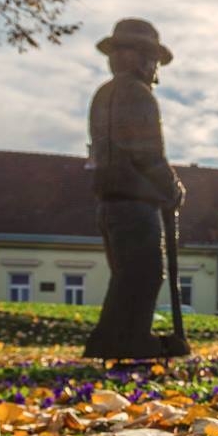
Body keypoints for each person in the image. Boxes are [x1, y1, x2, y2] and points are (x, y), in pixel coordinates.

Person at [84, 18, 189, 359]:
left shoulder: (103, 94)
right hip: (135, 200)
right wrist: (171, 187)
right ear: (141, 58)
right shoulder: (138, 94)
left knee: (126, 273)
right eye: (151, 57)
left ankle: (114, 337)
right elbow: (148, 153)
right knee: (144, 273)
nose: (154, 65)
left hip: (109, 201)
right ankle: (126, 337)